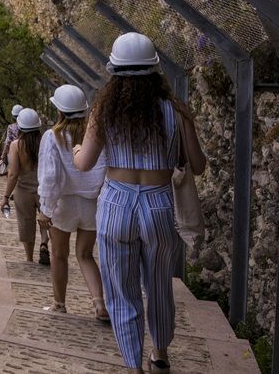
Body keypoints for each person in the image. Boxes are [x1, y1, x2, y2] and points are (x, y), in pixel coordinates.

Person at [74, 33, 207, 373]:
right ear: (155, 71)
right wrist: (187, 122)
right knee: (159, 283)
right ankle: (160, 355)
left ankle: (133, 366)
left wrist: (76, 151)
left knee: (122, 289)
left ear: (114, 71)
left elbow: (85, 163)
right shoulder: (174, 110)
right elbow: (198, 164)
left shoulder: (103, 110)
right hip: (160, 203)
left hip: (117, 203)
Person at [38, 84, 108, 320]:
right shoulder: (95, 134)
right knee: (86, 255)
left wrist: (45, 209)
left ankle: (59, 304)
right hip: (91, 203)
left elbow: (50, 176)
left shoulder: (53, 136)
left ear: (59, 110)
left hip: (63, 204)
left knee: (59, 254)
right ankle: (99, 304)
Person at [0, 108, 50, 265]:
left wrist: (6, 197)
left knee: (26, 222)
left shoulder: (16, 145)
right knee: (46, 219)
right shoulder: (45, 142)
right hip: (44, 188)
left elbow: (13, 174)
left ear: (19, 127)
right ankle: (44, 242)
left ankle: (29, 259)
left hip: (23, 189)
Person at [0, 104, 24, 175]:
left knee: (13, 171)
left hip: (13, 152)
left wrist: (3, 155)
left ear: (13, 115)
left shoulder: (11, 127)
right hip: (25, 151)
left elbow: (7, 142)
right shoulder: (27, 127)